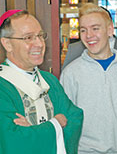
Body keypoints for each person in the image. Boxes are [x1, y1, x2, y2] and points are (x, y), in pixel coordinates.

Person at [60, 3, 117, 154]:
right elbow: (65, 119)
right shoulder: (71, 73)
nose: (89, 35)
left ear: (110, 30)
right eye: (83, 30)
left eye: (95, 28)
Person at [0, 10, 83, 154]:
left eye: (40, 36)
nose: (39, 43)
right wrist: (56, 124)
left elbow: (74, 117)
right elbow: (12, 139)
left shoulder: (49, 80)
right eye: (28, 38)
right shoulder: (3, 86)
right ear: (7, 44)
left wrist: (34, 130)